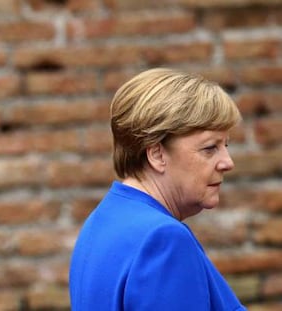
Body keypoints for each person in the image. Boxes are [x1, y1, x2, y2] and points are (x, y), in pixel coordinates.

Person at [69, 68, 247, 310]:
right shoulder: (163, 240)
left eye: (225, 145)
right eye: (209, 148)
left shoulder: (102, 221)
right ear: (156, 153)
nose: (228, 162)